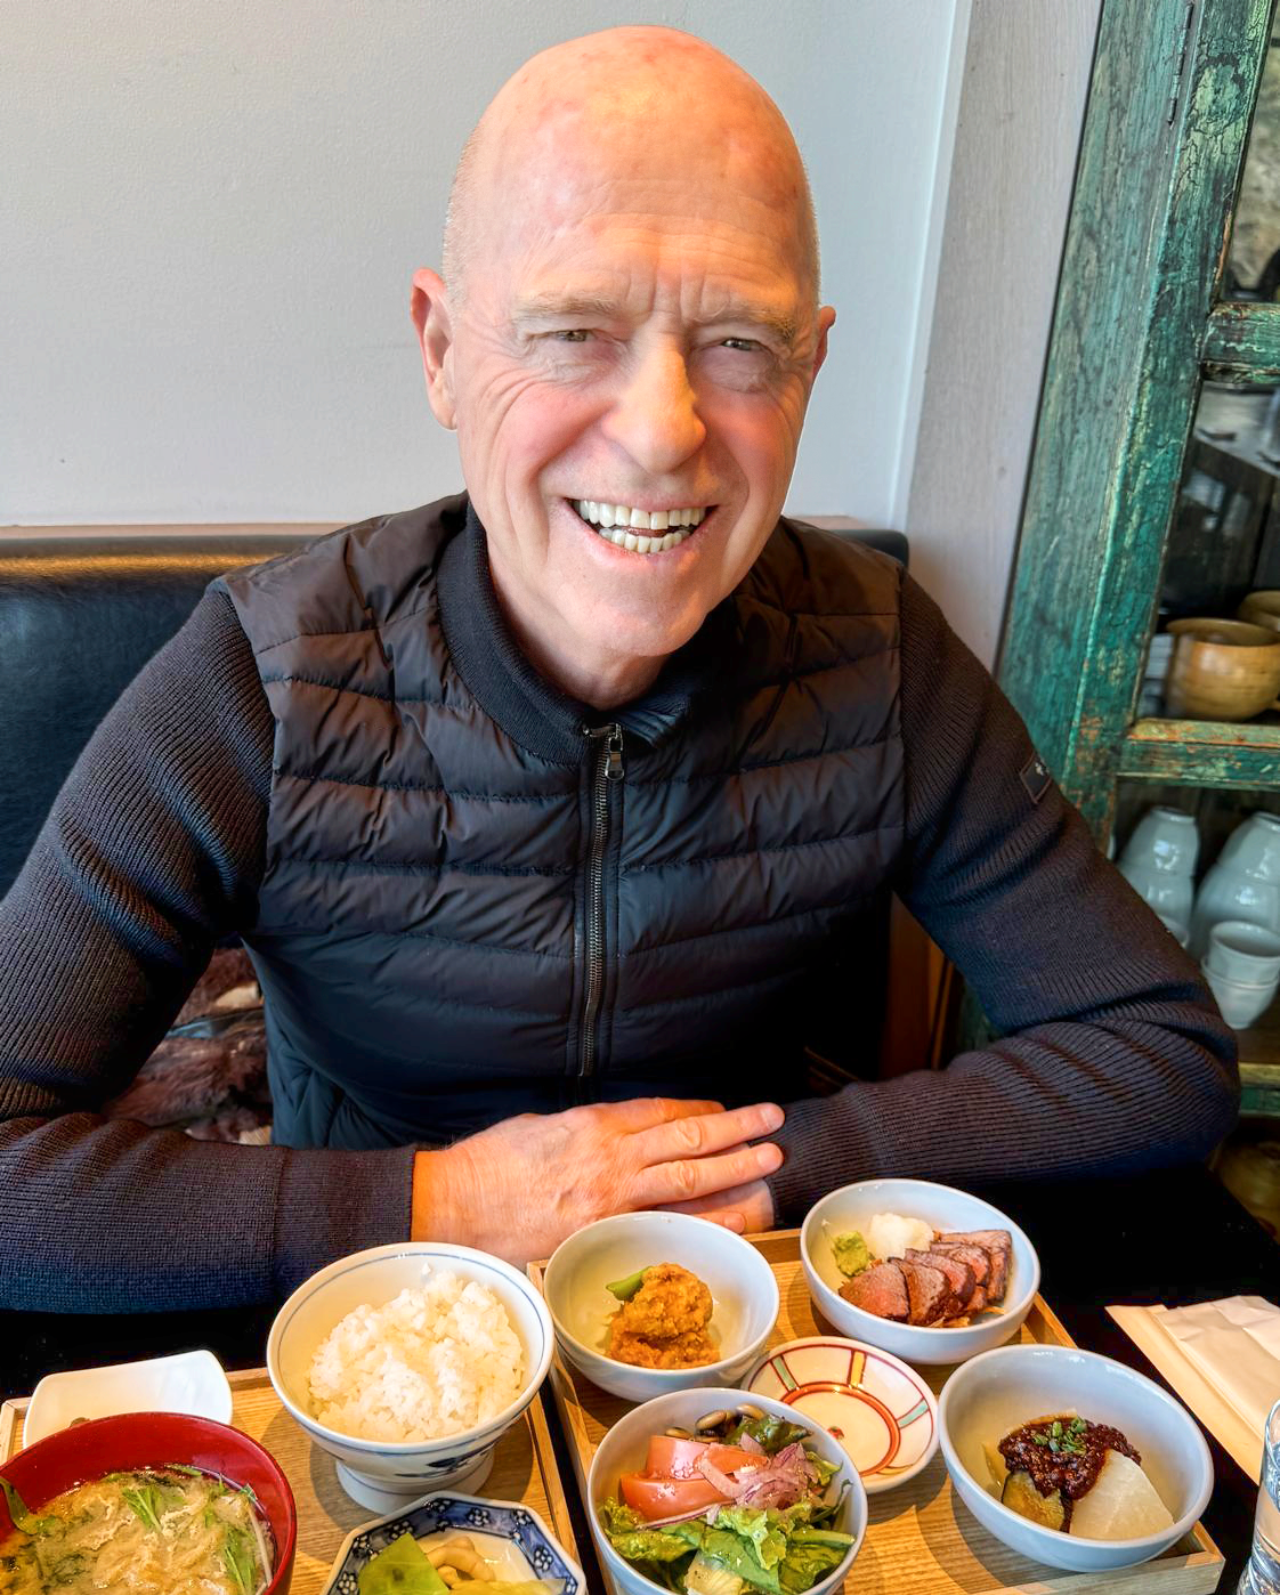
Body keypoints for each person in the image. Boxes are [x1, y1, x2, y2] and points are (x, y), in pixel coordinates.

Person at [0, 27, 1237, 1314]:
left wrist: (770, 1169)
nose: (660, 433)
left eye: (740, 344)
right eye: (573, 331)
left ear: (809, 365)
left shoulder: (880, 658)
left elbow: (1157, 1054)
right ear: (440, 349)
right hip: (374, 1321)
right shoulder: (258, 679)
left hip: (739, 1318)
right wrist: (446, 1205)